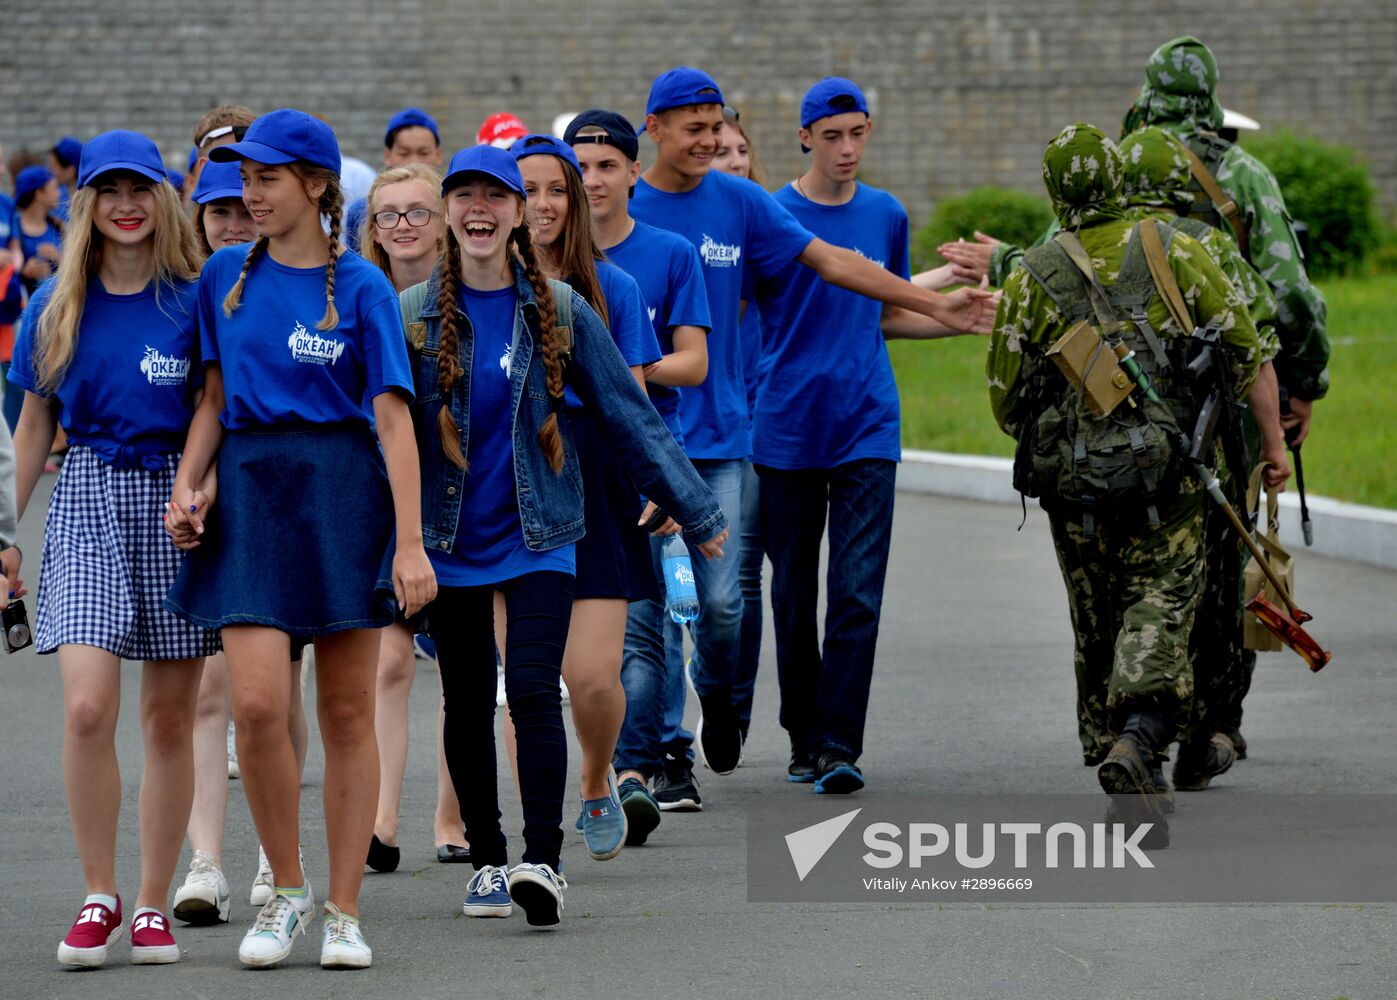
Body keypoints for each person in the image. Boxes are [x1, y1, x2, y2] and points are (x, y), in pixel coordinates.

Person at [630, 66, 995, 783]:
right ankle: (666, 749)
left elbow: (835, 266)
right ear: (655, 129)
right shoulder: (625, 209)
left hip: (814, 428)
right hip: (731, 431)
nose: (709, 141)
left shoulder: (742, 204)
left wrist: (937, 308)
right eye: (695, 129)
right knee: (717, 603)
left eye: (716, 128)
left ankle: (824, 743)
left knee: (766, 600)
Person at [402, 144, 726, 926]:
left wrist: (695, 507)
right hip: (447, 541)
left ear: (518, 213)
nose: (479, 209)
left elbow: (629, 415)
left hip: (541, 531)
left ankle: (541, 861)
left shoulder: (560, 309)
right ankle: (486, 862)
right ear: (450, 212)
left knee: (534, 691)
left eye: (496, 197)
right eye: (465, 196)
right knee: (467, 698)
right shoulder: (410, 313)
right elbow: (381, 433)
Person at [163, 108, 435, 970]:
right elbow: (209, 399)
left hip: (343, 498)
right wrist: (188, 481)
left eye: (267, 177)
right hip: (249, 494)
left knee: (347, 710)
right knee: (255, 707)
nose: (250, 192)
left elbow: (394, 426)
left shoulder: (362, 288)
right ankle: (286, 889)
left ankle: (344, 909)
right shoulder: (220, 277)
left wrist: (411, 545)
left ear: (316, 185)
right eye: (244, 178)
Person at [986, 123, 1288, 842]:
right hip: (1172, 474)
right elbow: (1244, 348)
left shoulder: (1029, 273)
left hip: (1075, 488)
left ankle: (1125, 754)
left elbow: (1005, 401)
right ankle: (1143, 737)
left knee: (1097, 619)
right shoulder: (1175, 249)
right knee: (1162, 600)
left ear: (1056, 191)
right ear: (1117, 181)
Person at [9, 129, 218, 968]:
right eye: (109, 191)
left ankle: (155, 902)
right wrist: (1, 534)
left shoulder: (194, 297)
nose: (126, 205)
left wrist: (196, 485)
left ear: (162, 201)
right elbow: (31, 425)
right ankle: (101, 892)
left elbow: (213, 402)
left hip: (174, 503)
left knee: (169, 720)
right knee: (89, 706)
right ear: (85, 204)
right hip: (87, 497)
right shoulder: (53, 306)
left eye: (141, 190)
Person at [1121, 35, 1331, 754]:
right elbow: (1289, 296)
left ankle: (1141, 717)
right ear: (1209, 95)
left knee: (1144, 561)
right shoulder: (1241, 173)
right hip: (1229, 398)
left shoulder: (1118, 171)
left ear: (1147, 93)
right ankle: (1214, 725)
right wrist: (1303, 383)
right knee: (1226, 555)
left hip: (1126, 402)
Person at [1116, 125, 1283, 787]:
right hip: (1201, 453)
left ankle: (1133, 733)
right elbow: (1254, 356)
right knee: (1212, 596)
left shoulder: (1086, 245)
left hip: (1112, 457)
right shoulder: (1209, 244)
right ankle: (1199, 737)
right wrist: (1270, 446)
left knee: (1134, 595)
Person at [510, 133, 662, 862]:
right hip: (506, 489)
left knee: (594, 678)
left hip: (595, 483)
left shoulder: (614, 288)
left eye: (555, 189)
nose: (540, 203)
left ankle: (598, 776)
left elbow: (633, 405)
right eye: (526, 188)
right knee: (530, 681)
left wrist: (662, 483)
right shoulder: (470, 292)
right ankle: (529, 838)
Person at [171, 156, 313, 927]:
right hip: (190, 491)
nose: (232, 216)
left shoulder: (281, 275)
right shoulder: (196, 286)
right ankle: (202, 863)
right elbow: (204, 399)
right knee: (206, 692)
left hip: (261, 496)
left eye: (243, 201)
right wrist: (191, 485)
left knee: (269, 694)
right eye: (216, 206)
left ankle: (273, 854)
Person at [563, 107, 711, 834]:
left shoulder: (655, 260)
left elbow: (688, 365)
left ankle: (638, 764)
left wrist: (622, 371)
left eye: (605, 166)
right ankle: (624, 768)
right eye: (577, 168)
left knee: (658, 627)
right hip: (554, 473)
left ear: (631, 171)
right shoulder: (528, 271)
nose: (591, 181)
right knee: (567, 657)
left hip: (642, 455)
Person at [358, 162, 471, 868]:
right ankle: (381, 819)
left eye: (417, 212)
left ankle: (451, 819)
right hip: (379, 497)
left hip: (458, 496)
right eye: (388, 215)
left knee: (460, 664)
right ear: (371, 229)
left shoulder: (471, 300)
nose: (403, 226)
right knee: (390, 661)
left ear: (442, 221)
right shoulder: (359, 297)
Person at [711, 104, 768, 757]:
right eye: (717, 148)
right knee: (722, 584)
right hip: (697, 422)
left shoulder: (757, 226)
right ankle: (720, 711)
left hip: (756, 419)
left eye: (738, 149)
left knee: (743, 583)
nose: (729, 158)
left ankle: (730, 702)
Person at [344, 108, 445, 254]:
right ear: (388, 155)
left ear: (438, 155)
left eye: (424, 153)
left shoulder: (451, 205)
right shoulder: (360, 211)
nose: (414, 161)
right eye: (403, 153)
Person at [8, 165, 64, 295]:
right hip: (20, 310)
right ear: (39, 194)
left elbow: (78, 271)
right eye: (55, 188)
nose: (60, 193)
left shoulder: (58, 227)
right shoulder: (12, 227)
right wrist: (23, 272)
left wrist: (59, 258)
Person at [48, 136, 83, 220]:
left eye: (54, 166)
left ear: (70, 171)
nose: (50, 171)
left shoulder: (87, 201)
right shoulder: (56, 195)